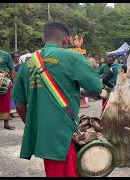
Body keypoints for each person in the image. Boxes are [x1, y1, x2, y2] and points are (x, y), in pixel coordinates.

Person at [12, 21, 104, 177]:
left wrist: (36, 128)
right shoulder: (72, 57)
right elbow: (96, 88)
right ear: (67, 40)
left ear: (44, 38)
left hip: (44, 135)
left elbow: (20, 105)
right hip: (64, 134)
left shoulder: (27, 64)